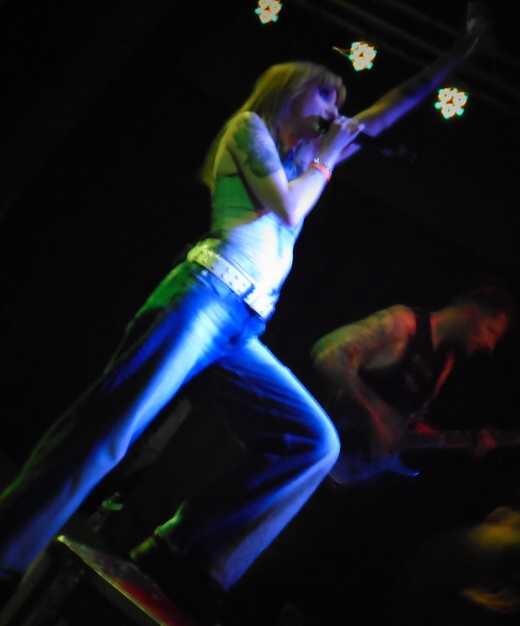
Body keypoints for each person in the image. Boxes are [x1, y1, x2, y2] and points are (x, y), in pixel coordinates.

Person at [0, 6, 487, 618]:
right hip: (204, 296)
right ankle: (8, 551)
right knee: (109, 431)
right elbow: (288, 209)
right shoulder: (249, 128)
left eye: (341, 102)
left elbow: (386, 111)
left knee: (313, 442)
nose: (336, 109)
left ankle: (180, 551)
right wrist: (324, 158)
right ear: (288, 91)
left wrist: (457, 57)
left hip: (241, 327)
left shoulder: (310, 160)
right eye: (325, 95)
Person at [310, 286, 514, 486]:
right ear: (472, 312)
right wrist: (374, 413)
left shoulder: (445, 363)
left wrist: (464, 441)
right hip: (315, 457)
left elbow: (406, 425)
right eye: (490, 330)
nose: (490, 345)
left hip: (350, 478)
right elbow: (327, 352)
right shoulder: (404, 324)